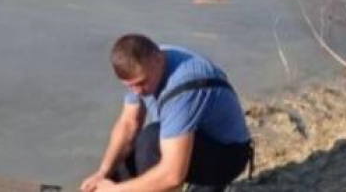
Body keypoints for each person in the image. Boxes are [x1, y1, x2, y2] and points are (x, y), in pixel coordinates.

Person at [80, 34, 252, 192]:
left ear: (158, 60)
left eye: (141, 83)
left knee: (150, 141)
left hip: (228, 155)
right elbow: (129, 124)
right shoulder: (144, 63)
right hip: (193, 138)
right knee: (125, 160)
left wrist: (116, 191)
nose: (137, 92)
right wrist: (103, 172)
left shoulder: (184, 88)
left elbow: (173, 176)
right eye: (130, 86)